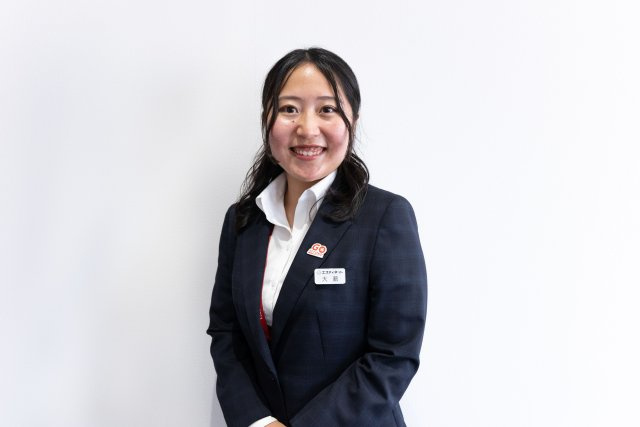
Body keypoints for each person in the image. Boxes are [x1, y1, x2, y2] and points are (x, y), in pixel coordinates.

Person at [207, 47, 427, 427]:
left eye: (326, 109)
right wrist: (258, 421)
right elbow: (227, 334)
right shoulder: (242, 221)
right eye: (289, 109)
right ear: (267, 120)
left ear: (352, 121)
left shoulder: (385, 217)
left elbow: (393, 356)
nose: (307, 128)